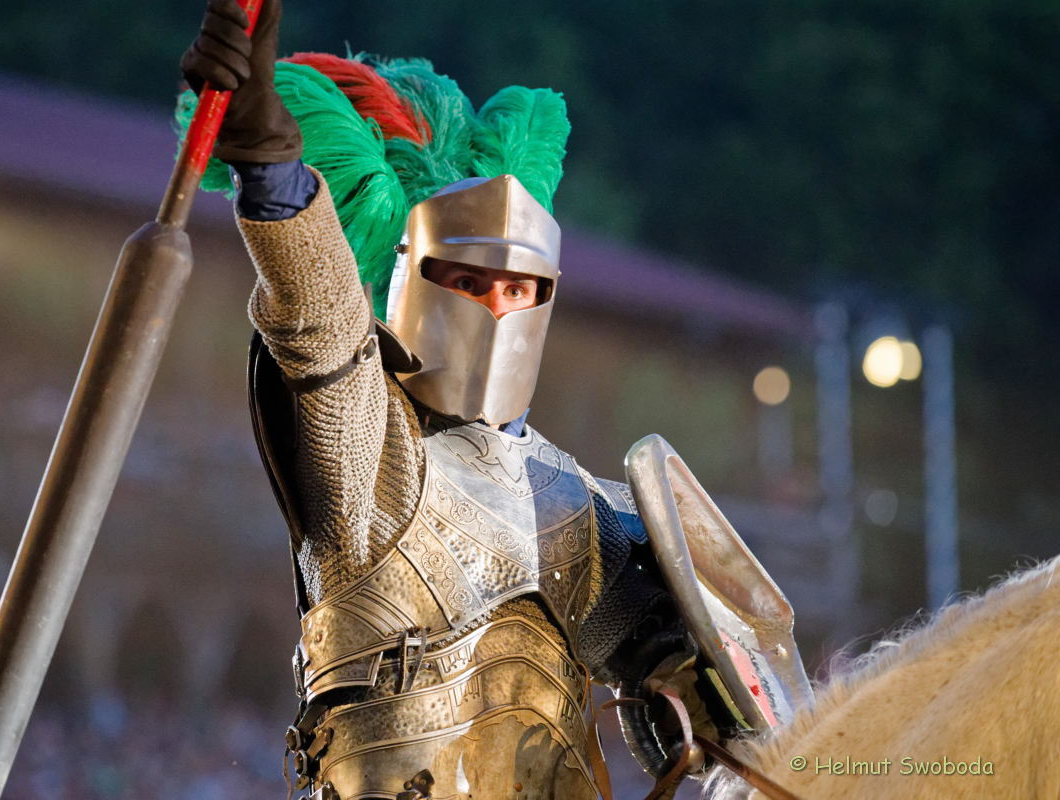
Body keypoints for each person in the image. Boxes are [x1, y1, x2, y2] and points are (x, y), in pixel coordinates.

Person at [178, 2, 793, 798]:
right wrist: (269, 162)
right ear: (412, 277)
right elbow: (321, 318)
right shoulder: (372, 452)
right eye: (469, 282)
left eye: (517, 288)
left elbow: (711, 694)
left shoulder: (577, 503)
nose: (496, 309)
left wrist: (700, 687)